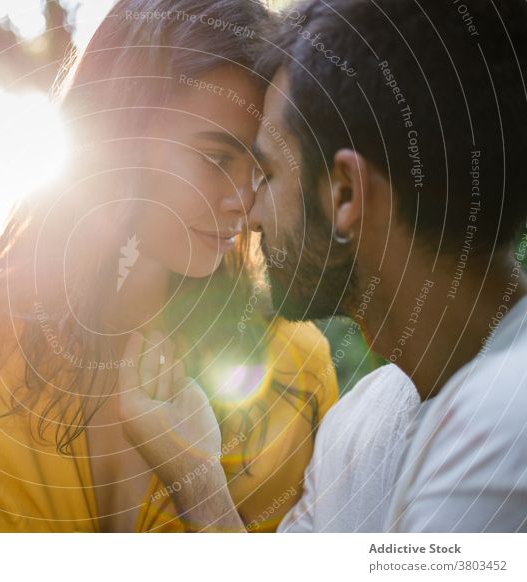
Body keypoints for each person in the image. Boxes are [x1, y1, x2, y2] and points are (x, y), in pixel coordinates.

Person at [0, 0, 339, 533]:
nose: (243, 203)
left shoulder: (294, 374)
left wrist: (201, 488)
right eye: (215, 159)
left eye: (259, 169)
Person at [120, 0, 527, 532]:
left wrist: (197, 484)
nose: (250, 213)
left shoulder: (503, 419)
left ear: (344, 194)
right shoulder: (356, 429)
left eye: (265, 173)